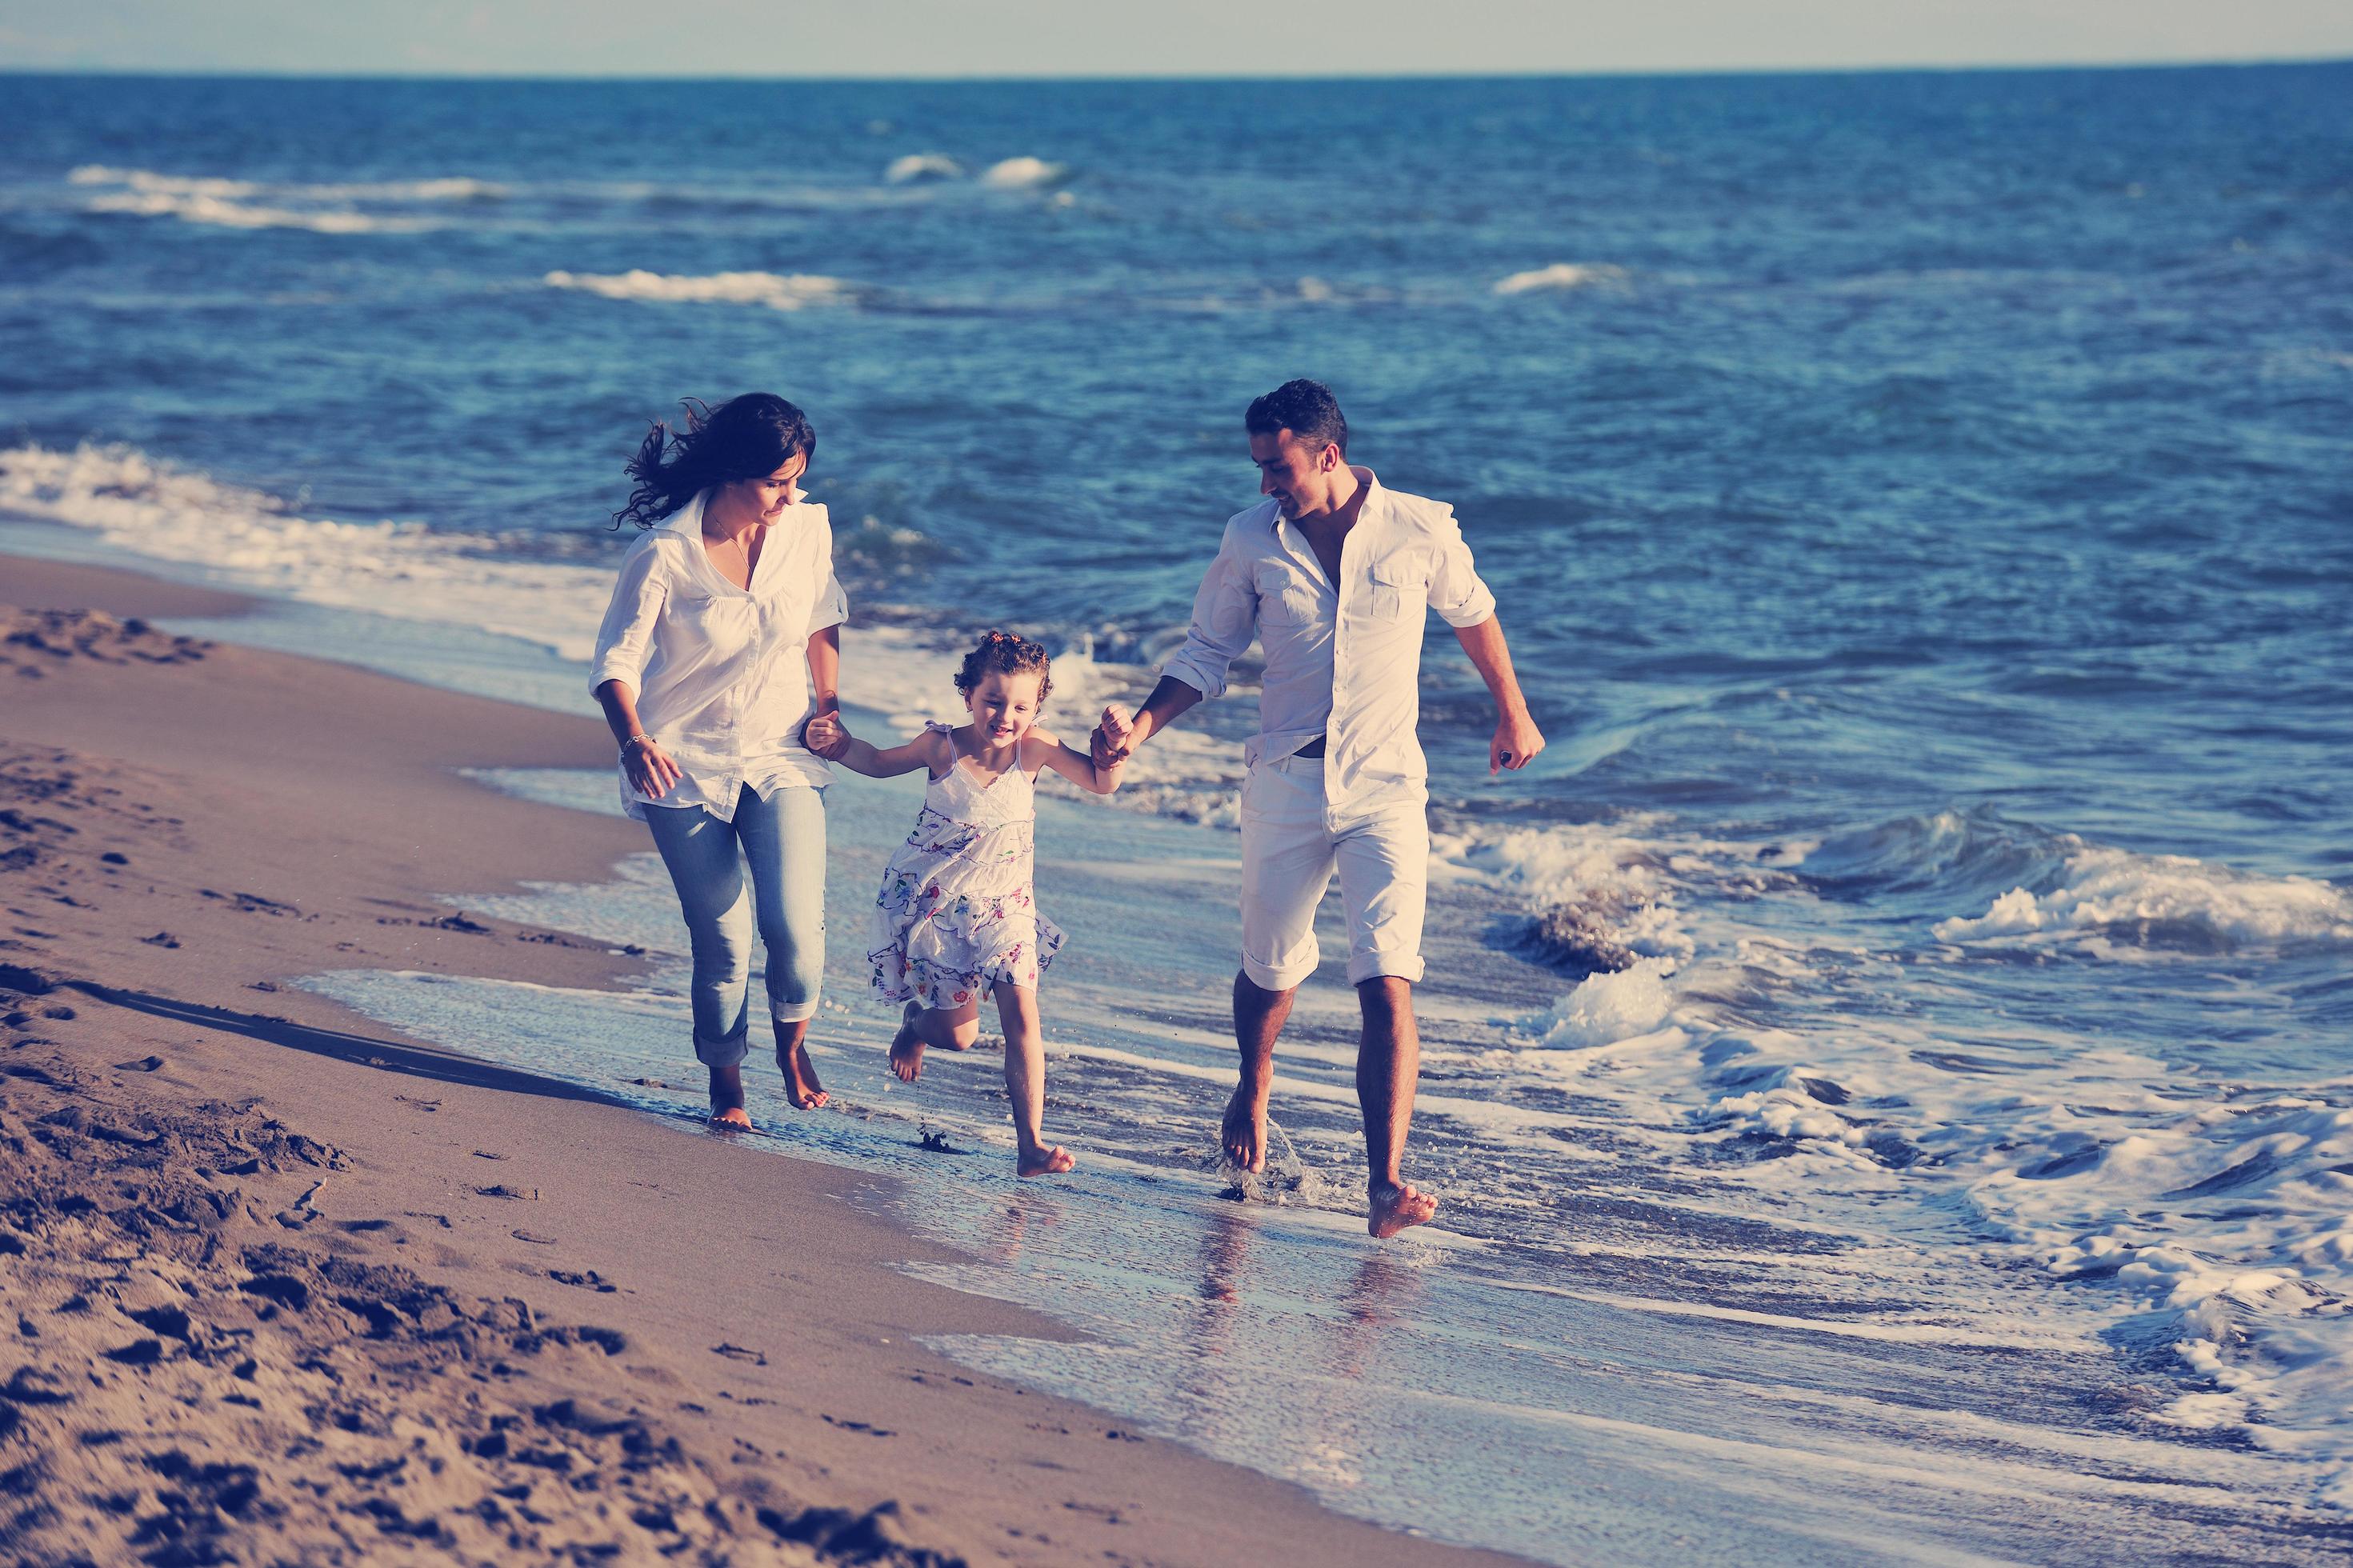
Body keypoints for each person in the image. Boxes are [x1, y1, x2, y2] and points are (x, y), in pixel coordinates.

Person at [1091, 379, 1543, 1238]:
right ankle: (1252, 1085)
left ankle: (1386, 1183)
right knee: (1270, 968)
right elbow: (1206, 652)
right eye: (1259, 466)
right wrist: (1141, 727)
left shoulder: (1418, 527)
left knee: (1387, 976)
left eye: (1278, 466)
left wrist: (1511, 710)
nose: (1267, 483)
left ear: (1326, 455)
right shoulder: (1249, 540)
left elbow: (1474, 613)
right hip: (1287, 785)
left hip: (1386, 788)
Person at [590, 393, 845, 1127]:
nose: (788, 497)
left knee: (795, 927)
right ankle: (726, 1086)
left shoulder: (805, 530)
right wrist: (634, 740)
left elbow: (822, 616)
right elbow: (616, 664)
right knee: (725, 940)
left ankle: (791, 1044)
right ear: (733, 471)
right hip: (681, 761)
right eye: (775, 483)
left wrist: (827, 705)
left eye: (796, 481)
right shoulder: (663, 554)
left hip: (779, 748)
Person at [805, 632, 1130, 1177]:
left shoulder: (1036, 749)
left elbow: (1101, 783)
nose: (1006, 716)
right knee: (960, 1036)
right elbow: (879, 761)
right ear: (968, 697)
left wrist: (1114, 751)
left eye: (1021, 706)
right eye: (993, 702)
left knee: (1023, 1016)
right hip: (938, 912)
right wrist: (836, 744)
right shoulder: (940, 748)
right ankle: (914, 1025)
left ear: (1037, 707)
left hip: (1007, 911)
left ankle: (1029, 1146)